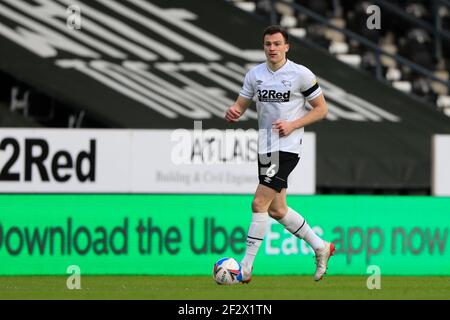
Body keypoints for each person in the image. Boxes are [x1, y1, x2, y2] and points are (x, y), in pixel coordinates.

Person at [225, 25, 335, 282]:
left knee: (258, 203)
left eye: (277, 44)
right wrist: (233, 112)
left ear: (287, 46)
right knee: (277, 209)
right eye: (268, 44)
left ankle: (245, 268)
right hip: (266, 148)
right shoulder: (255, 75)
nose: (272, 48)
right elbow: (240, 106)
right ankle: (321, 246)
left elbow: (321, 109)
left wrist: (293, 125)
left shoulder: (301, 75)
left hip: (287, 148)